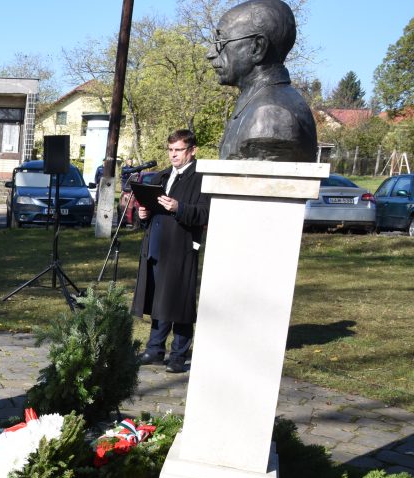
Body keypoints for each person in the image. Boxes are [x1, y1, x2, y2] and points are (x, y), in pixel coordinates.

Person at [131, 129, 210, 374]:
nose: (173, 155)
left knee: (180, 302)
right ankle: (155, 349)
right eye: (170, 150)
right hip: (156, 244)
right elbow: (151, 209)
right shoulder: (162, 176)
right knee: (159, 298)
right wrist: (143, 214)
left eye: (178, 150)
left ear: (192, 150)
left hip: (181, 247)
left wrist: (179, 207)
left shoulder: (202, 178)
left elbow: (206, 213)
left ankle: (178, 355)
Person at [208, 0, 315, 162]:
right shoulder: (252, 102)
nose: (210, 53)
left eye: (221, 42)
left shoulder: (270, 116)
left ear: (257, 47)